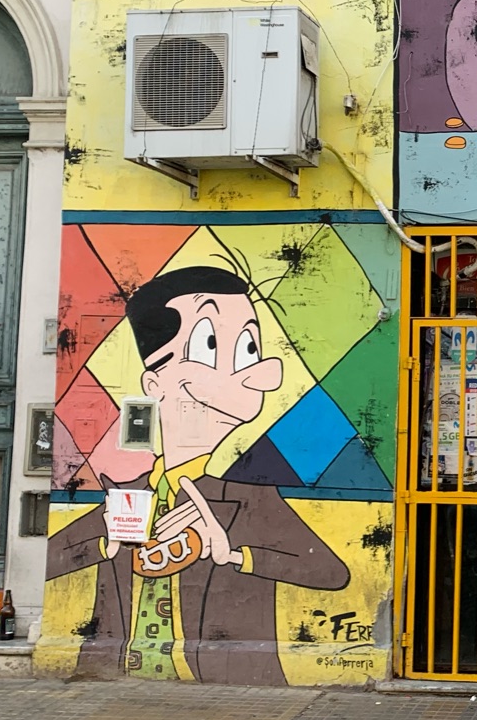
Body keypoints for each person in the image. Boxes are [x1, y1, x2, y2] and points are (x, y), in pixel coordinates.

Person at [47, 265, 350, 684]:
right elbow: (50, 560)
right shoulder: (129, 496)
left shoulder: (248, 497)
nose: (253, 372)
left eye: (249, 348)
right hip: (117, 675)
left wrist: (234, 555)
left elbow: (332, 572)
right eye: (210, 344)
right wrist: (107, 544)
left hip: (227, 676)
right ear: (154, 383)